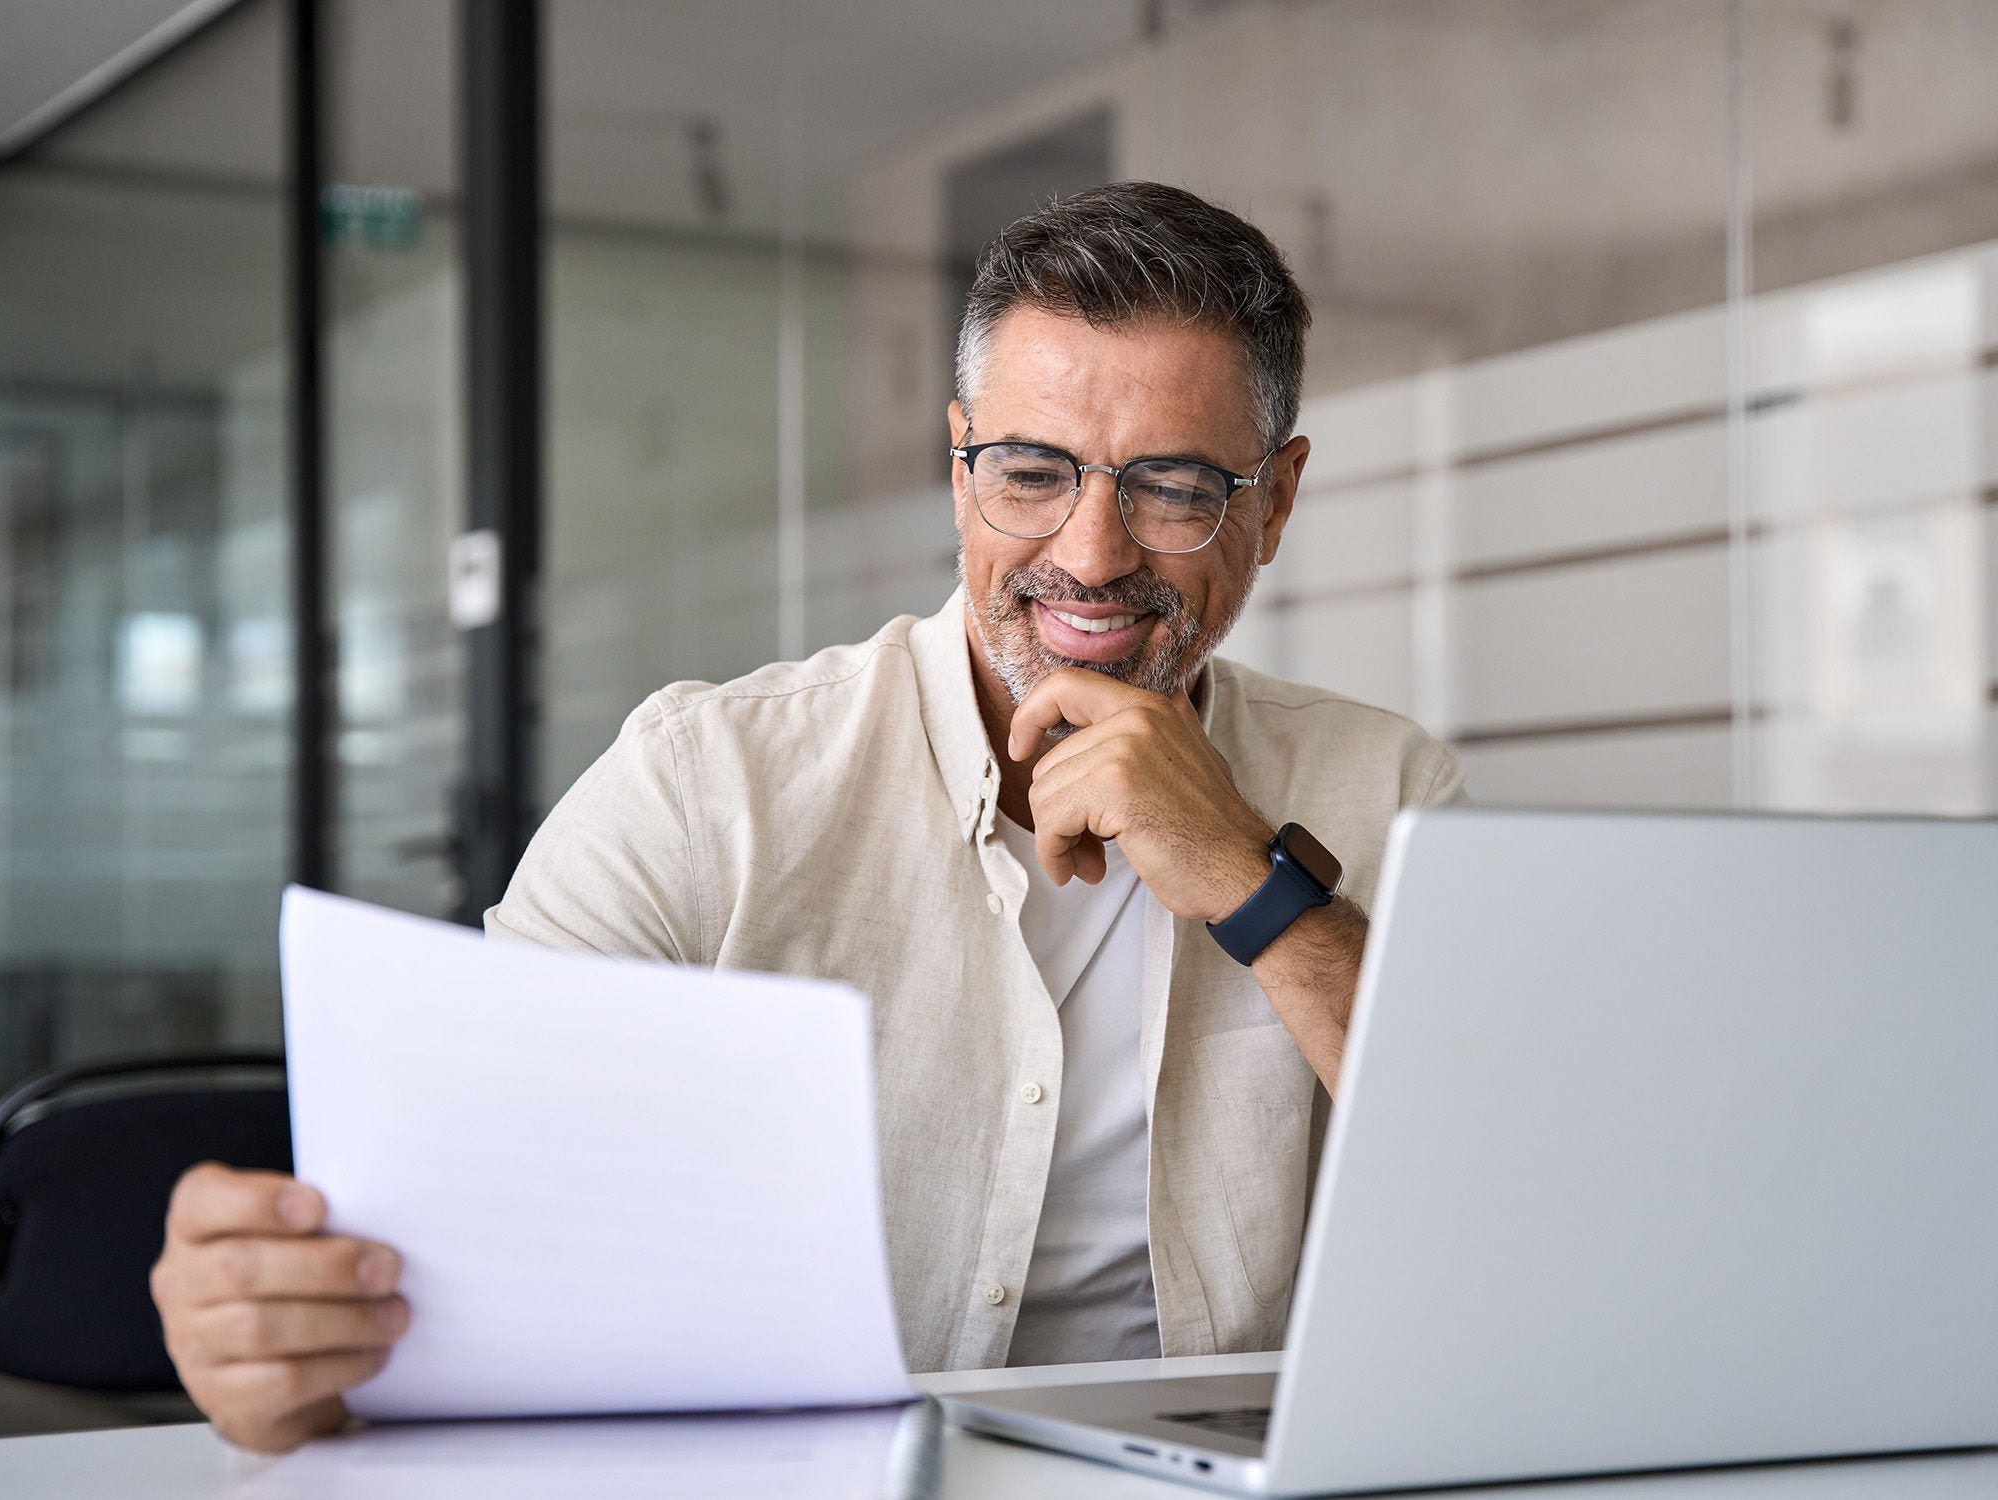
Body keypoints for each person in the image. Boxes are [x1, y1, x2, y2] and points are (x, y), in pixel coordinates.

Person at [150, 181, 1464, 1453]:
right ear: (959, 471)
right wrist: (287, 1354)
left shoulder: (1385, 786)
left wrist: (1250, 877)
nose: (1092, 552)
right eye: (1030, 471)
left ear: (1275, 500)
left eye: (1175, 487)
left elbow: (1527, 1204)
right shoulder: (706, 784)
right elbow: (456, 1247)